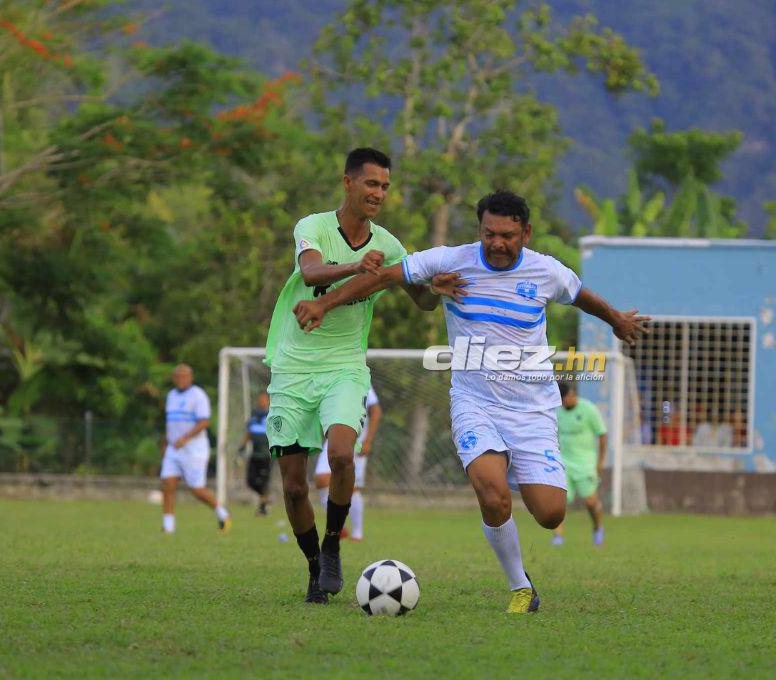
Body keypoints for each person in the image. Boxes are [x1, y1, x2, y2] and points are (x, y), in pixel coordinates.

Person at [292, 189, 649, 613]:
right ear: (479, 230)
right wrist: (326, 305)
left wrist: (617, 320)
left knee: (551, 513)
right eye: (489, 233)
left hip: (533, 410)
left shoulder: (546, 271)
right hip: (473, 402)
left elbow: (580, 295)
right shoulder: (451, 260)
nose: (497, 243)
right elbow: (383, 277)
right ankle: (520, 587)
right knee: (491, 491)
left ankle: (519, 466)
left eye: (508, 235)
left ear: (526, 234)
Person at [263, 147, 458, 605]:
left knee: (343, 455)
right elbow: (311, 272)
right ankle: (314, 567)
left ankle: (333, 544)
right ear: (348, 183)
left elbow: (421, 299)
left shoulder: (389, 246)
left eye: (386, 187)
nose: (379, 194)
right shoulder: (312, 227)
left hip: (346, 366)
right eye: (372, 184)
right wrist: (357, 266)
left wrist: (437, 291)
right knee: (293, 487)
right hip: (293, 368)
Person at [159, 364, 231, 534]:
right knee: (168, 484)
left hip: (194, 449)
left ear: (190, 377)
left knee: (196, 490)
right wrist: (165, 443)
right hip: (173, 448)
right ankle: (168, 527)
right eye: (177, 376)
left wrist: (185, 438)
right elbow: (171, 423)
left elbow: (204, 421)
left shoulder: (198, 395)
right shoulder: (171, 395)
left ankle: (223, 514)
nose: (180, 379)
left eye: (184, 376)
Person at [315, 387, 381, 541]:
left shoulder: (360, 378)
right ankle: (339, 527)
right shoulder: (326, 375)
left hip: (356, 439)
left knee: (352, 486)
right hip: (334, 436)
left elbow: (376, 410)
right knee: (321, 479)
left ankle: (357, 534)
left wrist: (368, 440)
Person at [551, 381, 607, 547]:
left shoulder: (589, 409)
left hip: (586, 463)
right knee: (558, 502)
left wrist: (599, 463)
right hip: (564, 462)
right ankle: (558, 536)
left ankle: (597, 528)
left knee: (590, 502)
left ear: (572, 395)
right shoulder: (556, 412)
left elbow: (602, 435)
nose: (562, 403)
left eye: (563, 399)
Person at [242, 392, 272, 516]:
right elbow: (249, 432)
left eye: (264, 399)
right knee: (250, 481)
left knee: (264, 482)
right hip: (254, 454)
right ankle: (265, 497)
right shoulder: (254, 415)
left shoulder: (272, 415)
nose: (262, 401)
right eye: (260, 399)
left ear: (269, 401)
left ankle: (263, 509)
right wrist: (242, 446)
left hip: (267, 455)